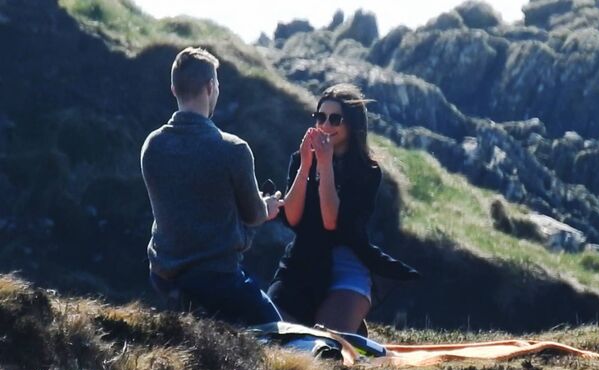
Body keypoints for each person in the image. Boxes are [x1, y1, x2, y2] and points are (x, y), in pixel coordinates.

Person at [141, 47, 284, 325]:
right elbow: (253, 215)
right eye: (216, 84)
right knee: (276, 331)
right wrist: (266, 207)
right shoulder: (233, 149)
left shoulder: (152, 145)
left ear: (173, 89)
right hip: (216, 279)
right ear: (210, 87)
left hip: (164, 275)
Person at [268, 83, 419, 334]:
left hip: (346, 260)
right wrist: (306, 166)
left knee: (329, 341)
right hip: (304, 260)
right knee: (278, 335)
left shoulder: (367, 172)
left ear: (351, 125)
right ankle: (348, 322)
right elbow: (293, 218)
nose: (326, 125)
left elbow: (331, 222)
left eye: (335, 119)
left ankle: (349, 320)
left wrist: (325, 166)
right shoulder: (300, 158)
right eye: (320, 117)